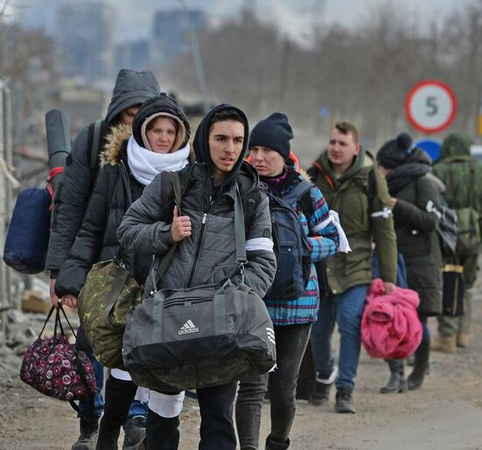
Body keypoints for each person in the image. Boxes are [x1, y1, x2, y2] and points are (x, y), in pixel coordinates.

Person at [117, 104, 277, 449]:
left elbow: (264, 262)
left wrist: (235, 298)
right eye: (220, 138)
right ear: (204, 140)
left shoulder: (252, 197)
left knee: (218, 422)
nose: (229, 148)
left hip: (220, 327)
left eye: (237, 140)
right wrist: (166, 233)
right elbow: (128, 230)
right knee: (161, 422)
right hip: (168, 321)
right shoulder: (172, 184)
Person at [54, 94, 191, 449]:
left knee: (159, 363)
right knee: (118, 362)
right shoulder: (117, 170)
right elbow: (91, 226)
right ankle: (108, 430)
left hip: (168, 286)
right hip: (120, 284)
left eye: (170, 131)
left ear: (180, 135)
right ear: (142, 132)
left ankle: (141, 427)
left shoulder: (190, 175)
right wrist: (71, 277)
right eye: (155, 130)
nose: (163, 137)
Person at [47, 68, 160, 450]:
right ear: (117, 112)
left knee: (139, 343)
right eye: (131, 111)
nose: (138, 119)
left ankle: (135, 423)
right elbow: (71, 208)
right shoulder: (96, 142)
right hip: (98, 262)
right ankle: (89, 421)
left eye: (146, 110)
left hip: (148, 265)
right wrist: (62, 273)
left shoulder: (169, 148)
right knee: (92, 342)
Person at [235, 113, 339, 450]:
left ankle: (277, 442)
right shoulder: (239, 187)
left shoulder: (308, 194)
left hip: (298, 305)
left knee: (283, 387)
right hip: (253, 301)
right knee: (251, 385)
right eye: (255, 149)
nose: (259, 157)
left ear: (284, 154)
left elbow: (332, 240)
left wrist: (307, 246)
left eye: (268, 151)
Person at [306, 121, 397, 413]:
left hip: (357, 265)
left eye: (342, 144)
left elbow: (384, 230)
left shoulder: (370, 179)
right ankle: (324, 373)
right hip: (322, 265)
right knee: (318, 330)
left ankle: (345, 388)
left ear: (355, 149)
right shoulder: (314, 175)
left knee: (350, 322)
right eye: (332, 142)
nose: (335, 148)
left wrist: (389, 276)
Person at [375, 132, 443, 392]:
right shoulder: (386, 184)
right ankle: (397, 373)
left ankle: (419, 370)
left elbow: (430, 220)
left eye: (384, 166)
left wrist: (398, 206)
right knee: (392, 317)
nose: (380, 171)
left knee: (419, 319)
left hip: (421, 261)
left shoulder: (423, 182)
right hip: (394, 259)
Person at [431, 132, 482, 353]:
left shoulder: (438, 171)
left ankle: (446, 336)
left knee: (449, 280)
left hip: (445, 237)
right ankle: (464, 333)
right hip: (474, 236)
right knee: (467, 285)